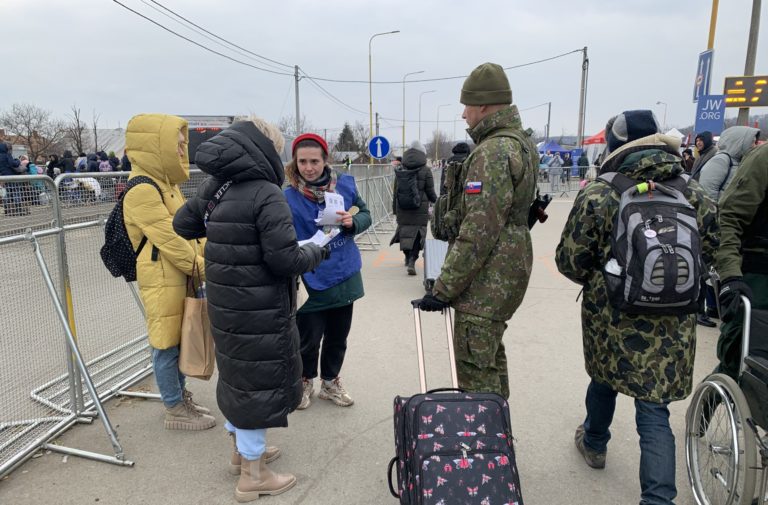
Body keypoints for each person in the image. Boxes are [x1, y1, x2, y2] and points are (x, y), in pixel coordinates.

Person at [555, 110, 718, 505]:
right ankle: (658, 499)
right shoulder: (692, 191)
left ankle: (595, 442)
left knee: (604, 377)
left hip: (612, 315)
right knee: (654, 409)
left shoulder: (601, 192)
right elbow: (710, 250)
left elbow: (570, 260)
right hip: (673, 320)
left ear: (615, 146)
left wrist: (606, 278)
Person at [174, 118, 329, 502]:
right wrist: (317, 249)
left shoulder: (218, 186)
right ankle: (253, 475)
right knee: (258, 384)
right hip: (260, 308)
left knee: (237, 377)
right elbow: (285, 260)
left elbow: (183, 224)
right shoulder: (266, 192)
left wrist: (223, 226)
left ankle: (240, 452)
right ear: (265, 149)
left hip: (226, 303)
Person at [418, 62, 538, 399]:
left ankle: (485, 432)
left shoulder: (493, 152)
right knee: (490, 361)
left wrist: (442, 288)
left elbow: (478, 230)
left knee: (475, 375)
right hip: (507, 270)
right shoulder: (521, 143)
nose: (464, 114)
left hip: (488, 279)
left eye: (467, 106)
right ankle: (500, 427)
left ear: (483, 105)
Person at [121, 113, 215, 431]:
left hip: (178, 275)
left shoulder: (167, 185)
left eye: (182, 145)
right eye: (177, 144)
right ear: (155, 145)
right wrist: (204, 267)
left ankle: (179, 397)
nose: (181, 150)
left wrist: (205, 256)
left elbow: (192, 230)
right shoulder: (142, 189)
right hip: (162, 278)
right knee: (165, 343)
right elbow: (171, 239)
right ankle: (174, 407)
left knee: (180, 337)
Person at [282, 132, 371, 411]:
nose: (308, 168)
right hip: (311, 275)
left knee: (338, 335)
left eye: (314, 161)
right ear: (295, 162)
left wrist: (353, 221)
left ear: (325, 160)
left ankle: (330, 382)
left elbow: (366, 213)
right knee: (308, 338)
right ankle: (304, 380)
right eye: (302, 162)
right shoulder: (287, 197)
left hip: (345, 271)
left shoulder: (344, 185)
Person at [715, 141, 768, 382]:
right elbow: (728, 217)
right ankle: (712, 403)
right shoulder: (763, 158)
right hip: (759, 277)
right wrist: (730, 275)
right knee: (738, 361)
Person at [391, 141, 437, 276]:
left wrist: (395, 210)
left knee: (404, 232)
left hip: (403, 208)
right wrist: (437, 203)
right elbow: (430, 192)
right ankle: (412, 260)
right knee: (417, 235)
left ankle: (406, 257)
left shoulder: (400, 169)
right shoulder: (426, 170)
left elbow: (395, 192)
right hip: (420, 209)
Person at [698, 125, 759, 202]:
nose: (755, 146)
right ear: (739, 142)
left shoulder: (738, 161)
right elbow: (707, 191)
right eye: (752, 142)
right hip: (718, 208)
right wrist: (714, 209)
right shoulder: (721, 159)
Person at [0, 142, 25, 216]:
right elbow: (13, 164)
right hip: (12, 176)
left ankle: (7, 210)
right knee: (16, 191)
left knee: (6, 193)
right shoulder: (7, 155)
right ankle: (18, 209)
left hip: (4, 177)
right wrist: (18, 160)